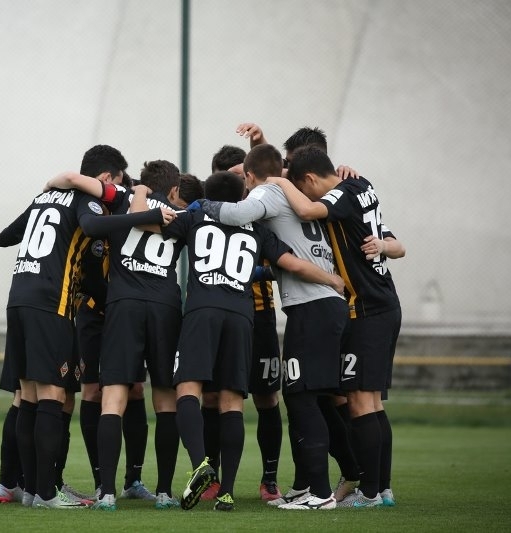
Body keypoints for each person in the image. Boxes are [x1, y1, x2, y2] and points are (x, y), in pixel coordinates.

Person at [0, 145, 173, 509]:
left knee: (27, 396)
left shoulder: (45, 197)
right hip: (52, 302)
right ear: (105, 179)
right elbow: (91, 225)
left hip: (18, 296)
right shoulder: (85, 198)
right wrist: (140, 217)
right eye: (115, 186)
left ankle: (29, 489)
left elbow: (5, 237)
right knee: (53, 396)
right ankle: (47, 493)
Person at [156, 170, 344, 511]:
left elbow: (157, 226)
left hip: (202, 310)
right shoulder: (256, 227)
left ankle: (201, 466)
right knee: (232, 402)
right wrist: (331, 279)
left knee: (188, 389)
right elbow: (292, 264)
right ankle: (227, 492)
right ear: (241, 199)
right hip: (242, 317)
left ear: (210, 196)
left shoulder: (196, 217)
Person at [266, 145, 405, 508]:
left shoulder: (340, 194)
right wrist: (384, 246)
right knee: (371, 402)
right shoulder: (361, 185)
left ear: (310, 178)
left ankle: (370, 492)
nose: (302, 193)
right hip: (383, 303)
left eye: (300, 184)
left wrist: (278, 181)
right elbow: (399, 246)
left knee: (360, 401)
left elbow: (307, 209)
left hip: (367, 309)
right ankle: (381, 490)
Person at [47, 160, 186, 511]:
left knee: (112, 398)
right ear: (173, 189)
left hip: (123, 306)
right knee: (165, 399)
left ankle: (107, 492)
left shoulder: (122, 198)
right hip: (165, 306)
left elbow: (82, 182)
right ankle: (165, 492)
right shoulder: (181, 214)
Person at [201, 143, 285, 503]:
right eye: (232, 176)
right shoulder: (208, 213)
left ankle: (269, 479)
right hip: (218, 313)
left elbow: (284, 259)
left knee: (266, 396)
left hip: (259, 314)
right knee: (212, 397)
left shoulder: (263, 210)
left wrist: (259, 272)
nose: (241, 183)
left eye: (243, 175)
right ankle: (212, 477)